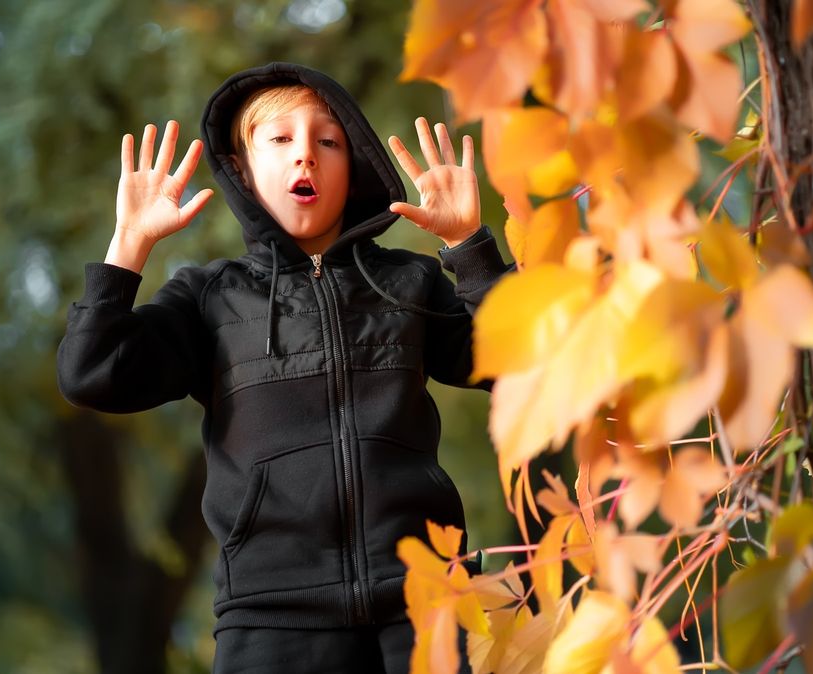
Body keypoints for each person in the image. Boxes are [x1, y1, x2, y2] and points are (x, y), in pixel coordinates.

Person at [56, 62, 513, 673]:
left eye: (329, 141)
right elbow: (92, 374)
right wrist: (128, 248)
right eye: (280, 139)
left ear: (354, 171)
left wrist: (470, 247)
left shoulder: (409, 280)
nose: (306, 156)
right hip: (269, 618)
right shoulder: (209, 297)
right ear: (242, 168)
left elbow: (517, 362)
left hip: (426, 602)